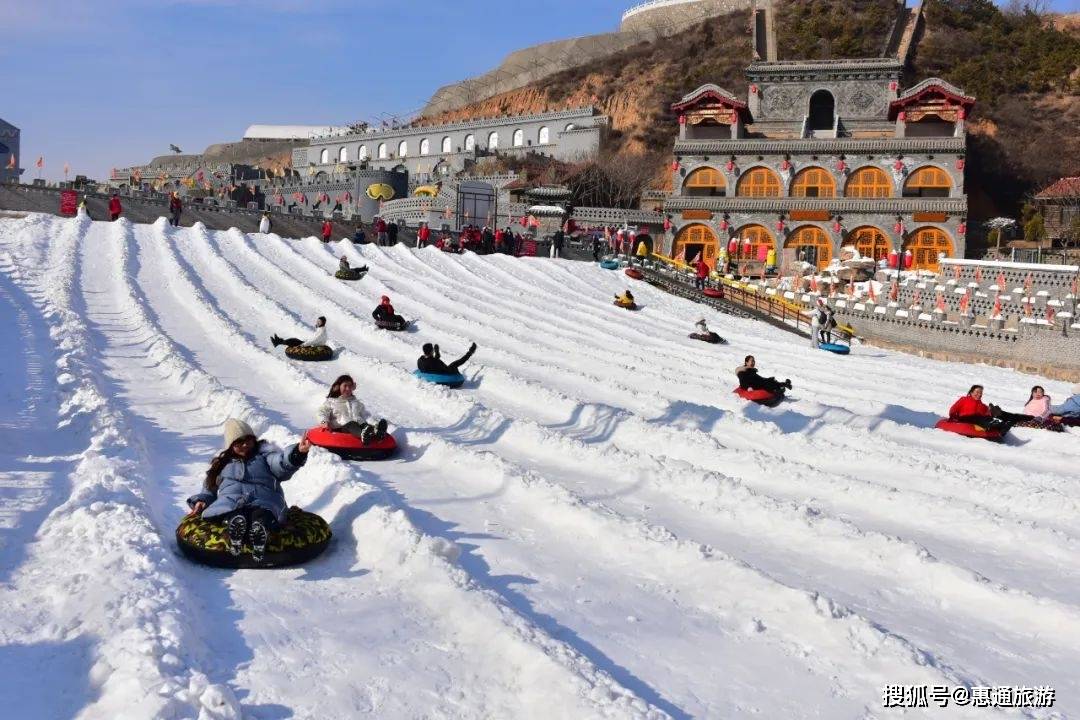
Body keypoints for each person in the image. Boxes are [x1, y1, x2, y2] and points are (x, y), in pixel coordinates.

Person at [186, 418, 311, 561]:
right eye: (239, 442)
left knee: (262, 514)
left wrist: (297, 453)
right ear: (231, 445)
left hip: (264, 500)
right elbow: (209, 486)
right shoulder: (222, 464)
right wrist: (203, 500)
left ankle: (260, 533)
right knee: (234, 513)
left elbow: (281, 463)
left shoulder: (265, 456)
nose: (245, 444)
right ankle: (236, 534)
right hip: (232, 502)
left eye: (249, 440)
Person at [317, 375, 388, 445]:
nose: (348, 388)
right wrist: (324, 422)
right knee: (351, 423)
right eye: (345, 386)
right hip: (341, 429)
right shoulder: (331, 402)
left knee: (365, 425)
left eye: (350, 386)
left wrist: (375, 423)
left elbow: (366, 415)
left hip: (360, 427)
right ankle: (364, 435)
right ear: (338, 387)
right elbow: (321, 412)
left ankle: (377, 433)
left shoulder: (356, 402)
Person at [948, 385, 1017, 433]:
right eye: (977, 392)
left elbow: (986, 414)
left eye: (980, 393)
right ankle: (992, 424)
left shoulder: (982, 405)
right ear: (971, 392)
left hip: (977, 421)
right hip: (964, 419)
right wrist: (953, 417)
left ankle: (1002, 425)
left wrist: (991, 412)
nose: (979, 394)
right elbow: (953, 409)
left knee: (985, 417)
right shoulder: (964, 399)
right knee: (977, 417)